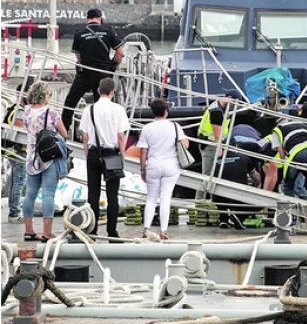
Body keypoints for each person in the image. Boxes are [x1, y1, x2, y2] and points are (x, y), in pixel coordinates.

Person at [80, 77, 130, 239]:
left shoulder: (89, 109)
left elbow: (85, 136)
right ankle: (112, 232)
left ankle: (92, 230)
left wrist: (88, 154)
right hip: (112, 153)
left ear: (98, 90)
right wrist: (122, 155)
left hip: (94, 152)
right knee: (112, 195)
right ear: (112, 92)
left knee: (93, 194)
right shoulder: (118, 110)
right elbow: (121, 136)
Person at [21, 82, 68, 242]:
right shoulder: (51, 113)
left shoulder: (26, 111)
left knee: (30, 194)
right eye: (48, 94)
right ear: (44, 95)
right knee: (48, 194)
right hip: (48, 157)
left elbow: (25, 110)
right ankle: (47, 232)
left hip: (32, 157)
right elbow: (64, 134)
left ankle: (29, 230)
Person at [62, 8, 124, 131]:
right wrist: (112, 66)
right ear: (100, 19)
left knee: (71, 101)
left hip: (85, 73)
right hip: (104, 74)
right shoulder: (109, 32)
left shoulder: (79, 34)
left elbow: (78, 57)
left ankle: (63, 129)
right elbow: (120, 53)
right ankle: (102, 132)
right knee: (101, 104)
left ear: (87, 19)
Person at [138, 99, 188, 240]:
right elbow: (185, 144)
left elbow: (143, 152)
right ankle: (163, 231)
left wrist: (143, 169)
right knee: (165, 198)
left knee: (151, 199)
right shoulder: (175, 126)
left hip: (153, 165)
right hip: (171, 165)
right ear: (166, 112)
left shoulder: (147, 128)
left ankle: (146, 229)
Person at [260, 119, 307, 203]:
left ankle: (290, 211)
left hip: (295, 154)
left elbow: (281, 155)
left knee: (288, 186)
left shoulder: (277, 130)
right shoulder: (302, 125)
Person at [195, 88, 242, 199]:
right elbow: (217, 136)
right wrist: (220, 149)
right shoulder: (216, 111)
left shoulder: (222, 108)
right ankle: (199, 202)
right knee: (207, 175)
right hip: (210, 145)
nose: (235, 106)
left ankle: (211, 200)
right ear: (230, 99)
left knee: (213, 174)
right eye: (235, 103)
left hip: (215, 144)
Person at [214, 136, 263, 230]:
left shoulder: (216, 161)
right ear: (236, 146)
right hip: (238, 196)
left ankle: (223, 219)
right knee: (261, 202)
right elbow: (256, 177)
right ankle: (239, 217)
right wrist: (258, 185)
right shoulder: (244, 158)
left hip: (221, 197)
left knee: (219, 191)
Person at [3, 83, 28, 223]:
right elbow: (21, 133)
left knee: (15, 181)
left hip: (13, 151)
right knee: (19, 182)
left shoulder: (14, 108)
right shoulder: (19, 111)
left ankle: (14, 211)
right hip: (19, 151)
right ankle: (14, 213)